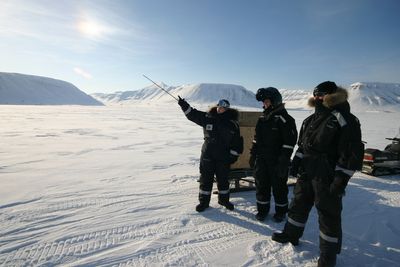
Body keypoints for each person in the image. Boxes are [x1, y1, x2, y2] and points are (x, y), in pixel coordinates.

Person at [271, 81, 364, 267]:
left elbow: (352, 153)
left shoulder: (344, 118)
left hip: (327, 174)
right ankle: (291, 234)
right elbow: (303, 146)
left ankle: (328, 256)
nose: (317, 98)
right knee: (298, 204)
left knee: (328, 214)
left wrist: (341, 179)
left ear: (331, 95)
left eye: (321, 94)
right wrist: (296, 161)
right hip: (307, 171)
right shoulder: (310, 120)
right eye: (315, 94)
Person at [178, 97, 243, 212]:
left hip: (223, 157)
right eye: (219, 106)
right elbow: (192, 114)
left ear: (227, 109)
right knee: (205, 179)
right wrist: (184, 105)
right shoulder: (208, 118)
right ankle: (203, 202)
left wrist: (233, 156)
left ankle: (224, 200)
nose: (220, 109)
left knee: (223, 180)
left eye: (223, 108)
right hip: (207, 155)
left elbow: (237, 142)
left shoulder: (233, 124)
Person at [249, 87, 297, 222]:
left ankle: (281, 211)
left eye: (267, 101)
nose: (264, 104)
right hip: (262, 159)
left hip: (277, 160)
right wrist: (253, 155)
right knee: (261, 185)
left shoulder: (285, 119)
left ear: (275, 101)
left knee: (279, 188)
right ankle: (262, 211)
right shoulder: (262, 118)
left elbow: (290, 142)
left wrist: (284, 160)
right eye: (263, 102)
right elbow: (256, 138)